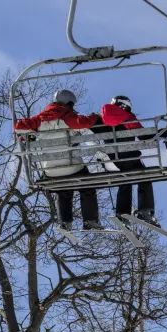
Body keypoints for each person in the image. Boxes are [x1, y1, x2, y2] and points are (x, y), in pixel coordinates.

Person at [14, 89, 103, 230]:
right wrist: (95, 116)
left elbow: (19, 127)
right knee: (87, 186)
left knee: (63, 189)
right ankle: (90, 221)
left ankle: (65, 222)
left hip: (50, 171)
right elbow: (85, 123)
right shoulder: (67, 116)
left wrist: (31, 137)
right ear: (68, 103)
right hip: (73, 167)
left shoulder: (39, 120)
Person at [96, 95, 164, 226]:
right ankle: (145, 211)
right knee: (144, 176)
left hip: (111, 161)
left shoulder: (100, 118)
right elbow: (145, 136)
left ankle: (122, 214)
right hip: (129, 157)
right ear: (125, 106)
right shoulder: (128, 117)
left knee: (125, 179)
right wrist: (164, 132)